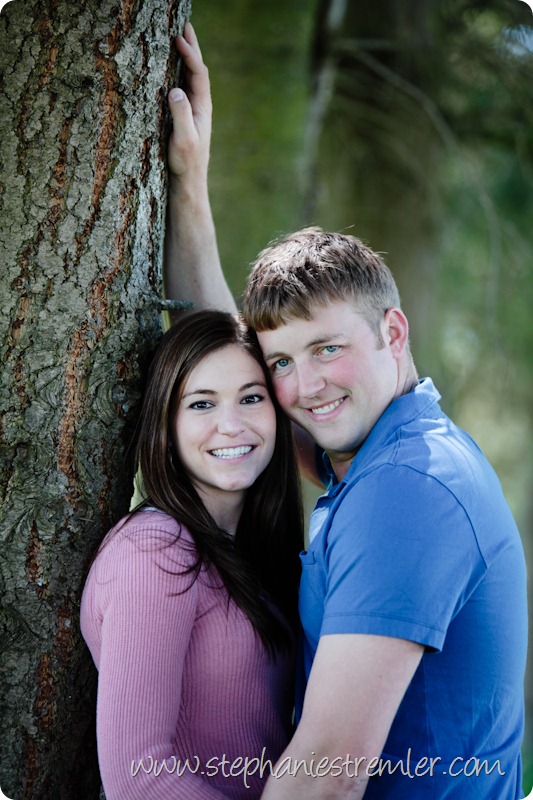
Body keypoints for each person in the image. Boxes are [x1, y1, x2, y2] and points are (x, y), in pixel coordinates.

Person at [163, 23, 528, 800]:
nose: (305, 387)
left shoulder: (406, 489)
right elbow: (227, 360)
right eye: (282, 363)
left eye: (327, 349)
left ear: (393, 332)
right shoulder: (387, 448)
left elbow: (325, 772)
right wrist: (188, 180)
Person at [80, 309, 303, 799]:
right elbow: (138, 779)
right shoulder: (154, 551)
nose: (231, 425)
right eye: (202, 404)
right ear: (167, 422)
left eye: (251, 398)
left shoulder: (250, 547)